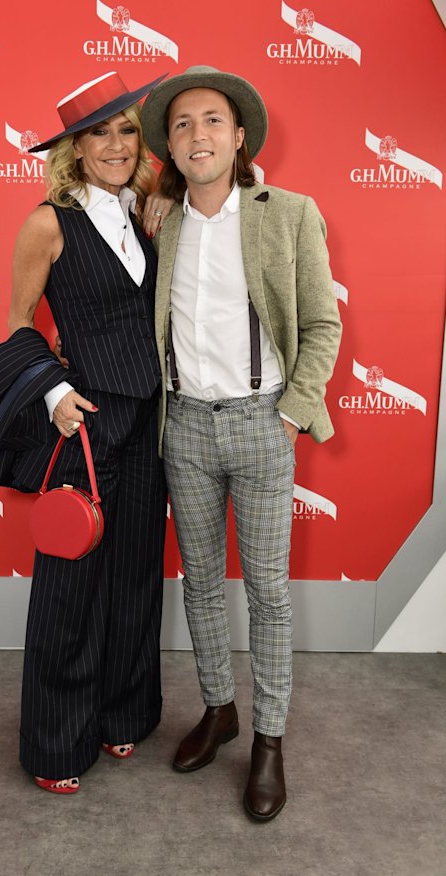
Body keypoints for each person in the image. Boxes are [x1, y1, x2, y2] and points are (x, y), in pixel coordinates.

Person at [140, 66, 342, 820]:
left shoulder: (288, 212)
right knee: (198, 585)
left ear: (240, 137)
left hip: (262, 424)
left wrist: (291, 412)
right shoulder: (156, 219)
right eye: (184, 123)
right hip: (184, 427)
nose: (199, 133)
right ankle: (219, 709)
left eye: (214, 120)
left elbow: (322, 325)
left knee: (268, 595)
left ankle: (268, 739)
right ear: (170, 143)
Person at [7, 71, 172, 794]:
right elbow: (17, 327)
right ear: (74, 148)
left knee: (135, 572)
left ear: (142, 142)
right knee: (71, 584)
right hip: (86, 420)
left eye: (127, 130)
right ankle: (53, 744)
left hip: (153, 419)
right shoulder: (48, 221)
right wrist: (55, 392)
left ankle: (121, 714)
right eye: (98, 132)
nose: (115, 144)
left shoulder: (150, 213)